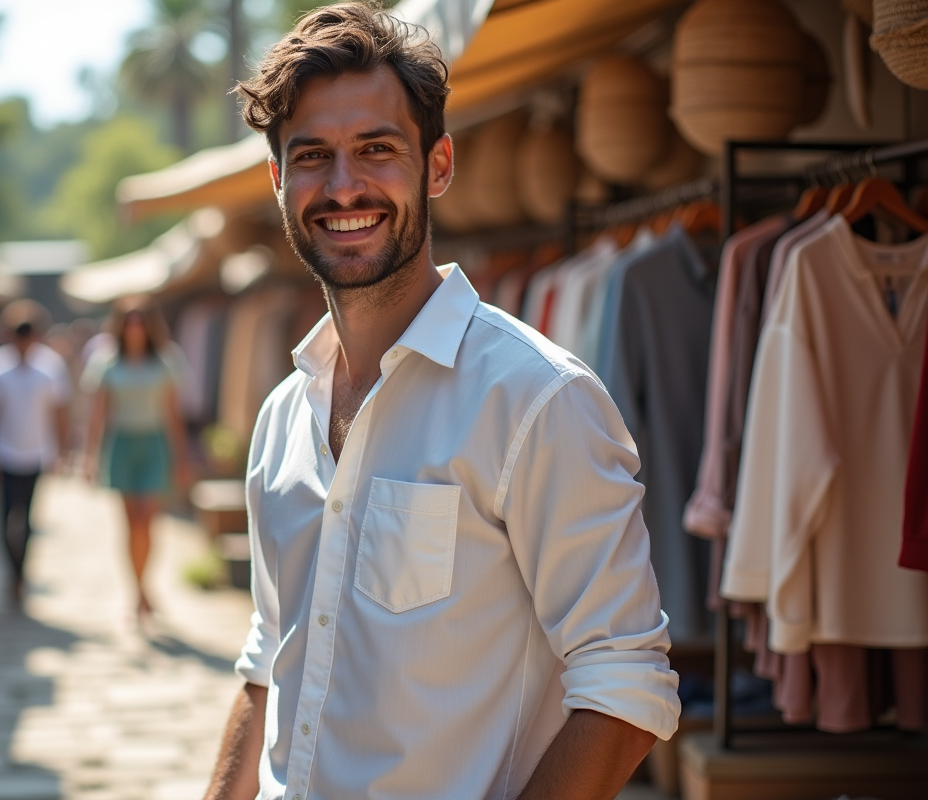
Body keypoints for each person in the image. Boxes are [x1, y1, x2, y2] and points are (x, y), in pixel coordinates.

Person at [202, 5, 681, 800]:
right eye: (312, 155)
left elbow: (626, 683)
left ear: (439, 165)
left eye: (377, 150)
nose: (344, 185)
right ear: (279, 180)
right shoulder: (281, 418)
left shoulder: (535, 398)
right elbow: (269, 656)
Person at [84, 304, 189, 623]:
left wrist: (181, 459)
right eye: (128, 322)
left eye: (140, 322)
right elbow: (98, 413)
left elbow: (173, 414)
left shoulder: (167, 360)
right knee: (130, 523)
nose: (134, 328)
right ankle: (138, 590)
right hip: (122, 444)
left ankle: (146, 586)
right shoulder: (106, 361)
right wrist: (90, 456)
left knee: (147, 520)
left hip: (154, 444)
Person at [0, 301, 71, 606]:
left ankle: (20, 574)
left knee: (26, 517)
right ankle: (12, 572)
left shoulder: (51, 366)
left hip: (35, 453)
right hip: (3, 453)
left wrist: (61, 451)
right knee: (3, 519)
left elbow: (60, 412)